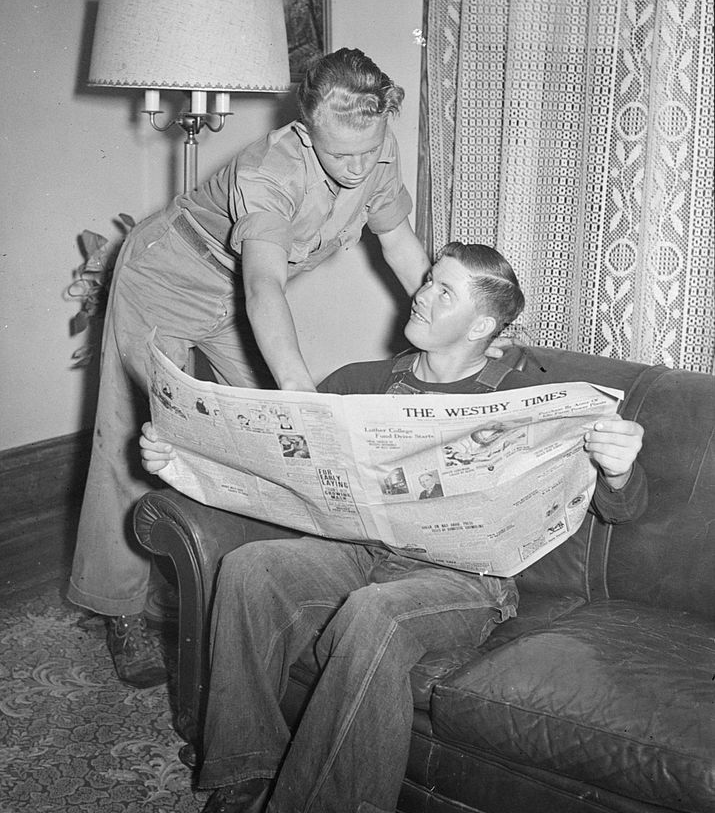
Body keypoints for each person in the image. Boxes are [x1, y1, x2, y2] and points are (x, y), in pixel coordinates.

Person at [140, 242, 647, 813]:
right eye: (429, 279)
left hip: (462, 579)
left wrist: (620, 467)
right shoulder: (359, 381)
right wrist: (183, 461)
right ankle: (243, 773)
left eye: (443, 290)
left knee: (372, 612)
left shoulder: (523, 400)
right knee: (251, 568)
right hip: (357, 550)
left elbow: (619, 511)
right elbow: (272, 467)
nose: (422, 294)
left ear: (481, 324)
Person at [68, 48, 439, 688]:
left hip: (233, 293)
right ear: (306, 127)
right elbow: (264, 287)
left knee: (282, 443)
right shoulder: (270, 168)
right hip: (166, 279)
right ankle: (118, 607)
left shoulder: (375, 150)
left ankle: (267, 586)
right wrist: (298, 387)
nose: (358, 168)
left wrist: (447, 317)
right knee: (136, 437)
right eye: (340, 153)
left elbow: (401, 244)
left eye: (369, 149)